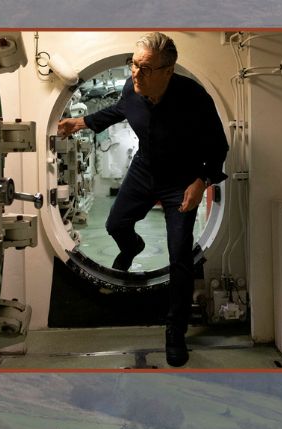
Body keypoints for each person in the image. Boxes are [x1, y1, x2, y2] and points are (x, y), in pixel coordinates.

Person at [56, 32, 228, 368]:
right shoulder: (131, 89)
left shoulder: (194, 98)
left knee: (180, 258)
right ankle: (132, 247)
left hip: (182, 180)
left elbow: (218, 147)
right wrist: (82, 122)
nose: (137, 73)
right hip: (144, 169)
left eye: (146, 68)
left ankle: (174, 331)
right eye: (135, 64)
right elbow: (120, 110)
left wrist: (201, 181)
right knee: (115, 224)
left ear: (168, 70)